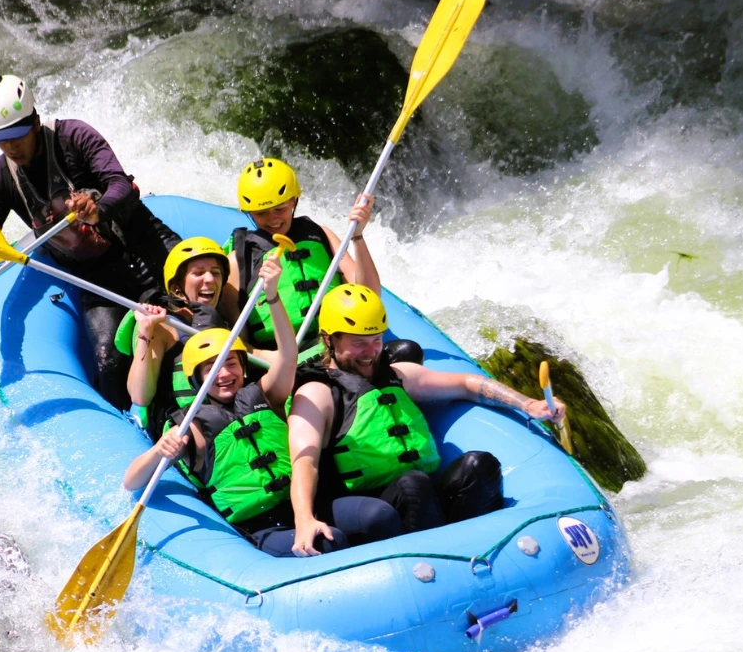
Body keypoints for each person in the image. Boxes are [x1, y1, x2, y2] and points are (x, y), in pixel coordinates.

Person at [286, 284, 567, 557]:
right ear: (329, 339)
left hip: (421, 497)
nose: (370, 353)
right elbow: (304, 461)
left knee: (479, 465)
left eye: (376, 341)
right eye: (358, 343)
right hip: (367, 504)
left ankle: (485, 553)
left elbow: (468, 384)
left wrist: (529, 405)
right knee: (413, 484)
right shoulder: (316, 393)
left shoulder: (398, 375)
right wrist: (304, 519)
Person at [121, 256, 345, 551]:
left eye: (231, 364)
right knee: (330, 543)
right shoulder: (190, 427)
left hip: (308, 506)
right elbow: (131, 481)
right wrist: (157, 451)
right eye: (212, 368)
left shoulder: (265, 394)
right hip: (262, 526)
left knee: (377, 517)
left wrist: (273, 296)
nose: (224, 374)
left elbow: (288, 355)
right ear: (198, 379)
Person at [0, 74, 178, 408]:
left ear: (35, 121)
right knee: (108, 359)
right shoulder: (1, 179)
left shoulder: (73, 136)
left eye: (17, 136)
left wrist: (98, 209)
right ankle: (134, 433)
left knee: (199, 314)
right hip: (97, 279)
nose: (11, 147)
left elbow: (120, 183)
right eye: (1, 140)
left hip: (146, 248)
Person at [221, 157, 383, 354]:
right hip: (281, 358)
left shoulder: (320, 234)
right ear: (249, 213)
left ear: (294, 201)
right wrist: (272, 360)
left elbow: (369, 294)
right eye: (261, 213)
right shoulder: (238, 260)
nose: (273, 219)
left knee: (407, 351)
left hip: (336, 346)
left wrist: (357, 237)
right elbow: (236, 340)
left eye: (280, 209)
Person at [117, 236, 231, 435]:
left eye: (215, 273)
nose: (210, 279)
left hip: (228, 420)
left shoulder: (226, 326)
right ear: (177, 288)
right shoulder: (163, 327)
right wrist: (145, 330)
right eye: (198, 273)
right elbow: (139, 396)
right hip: (183, 430)